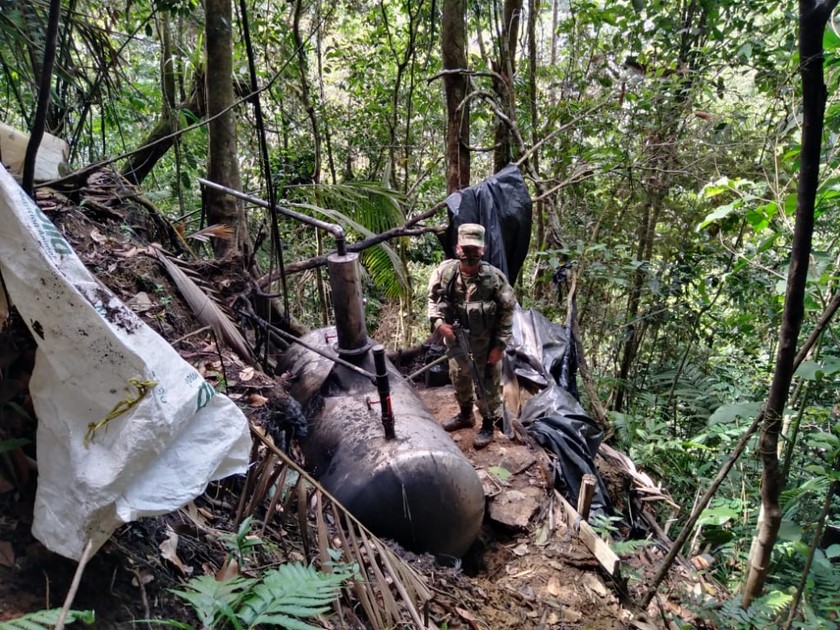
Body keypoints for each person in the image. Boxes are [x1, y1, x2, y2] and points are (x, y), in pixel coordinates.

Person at [427, 223, 516, 449]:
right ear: (457, 248)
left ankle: (487, 425)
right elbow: (432, 300)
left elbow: (507, 312)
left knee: (487, 389)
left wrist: (499, 347)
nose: (469, 254)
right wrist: (439, 324)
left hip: (486, 347)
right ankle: (466, 415)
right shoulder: (445, 273)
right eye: (465, 249)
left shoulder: (494, 279)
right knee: (460, 380)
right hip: (457, 344)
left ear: (482, 250)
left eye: (474, 249)